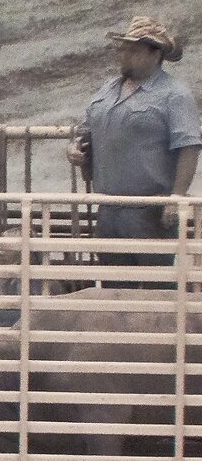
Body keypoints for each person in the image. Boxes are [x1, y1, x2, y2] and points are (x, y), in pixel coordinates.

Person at [66, 16, 201, 288]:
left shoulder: (173, 95)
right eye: (124, 49)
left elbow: (189, 146)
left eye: (134, 50)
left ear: (155, 55)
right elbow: (85, 131)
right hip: (109, 206)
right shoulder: (108, 89)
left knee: (157, 288)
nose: (125, 55)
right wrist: (75, 149)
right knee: (115, 287)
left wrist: (175, 197)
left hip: (150, 209)